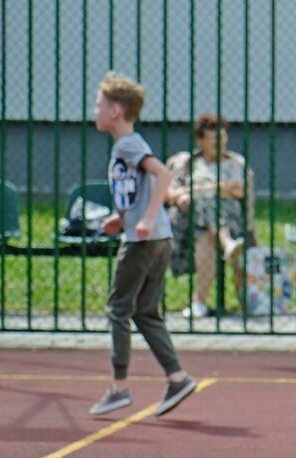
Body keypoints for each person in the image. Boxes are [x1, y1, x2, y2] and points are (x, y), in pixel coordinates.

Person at [89, 72, 197, 417]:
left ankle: (119, 387)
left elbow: (162, 175)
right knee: (145, 312)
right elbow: (138, 189)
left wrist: (146, 221)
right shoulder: (127, 146)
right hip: (156, 239)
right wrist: (122, 219)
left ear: (116, 111)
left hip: (144, 241)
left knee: (118, 309)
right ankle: (177, 377)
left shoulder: (127, 144)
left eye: (99, 105)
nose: (95, 111)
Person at [166, 113, 258, 318]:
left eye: (223, 138)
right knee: (207, 204)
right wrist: (219, 189)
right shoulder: (186, 163)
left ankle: (198, 302)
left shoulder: (236, 163)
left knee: (206, 232)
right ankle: (227, 244)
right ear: (200, 140)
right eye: (214, 139)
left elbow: (240, 191)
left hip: (230, 222)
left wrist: (195, 190)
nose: (220, 143)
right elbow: (170, 193)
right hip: (187, 223)